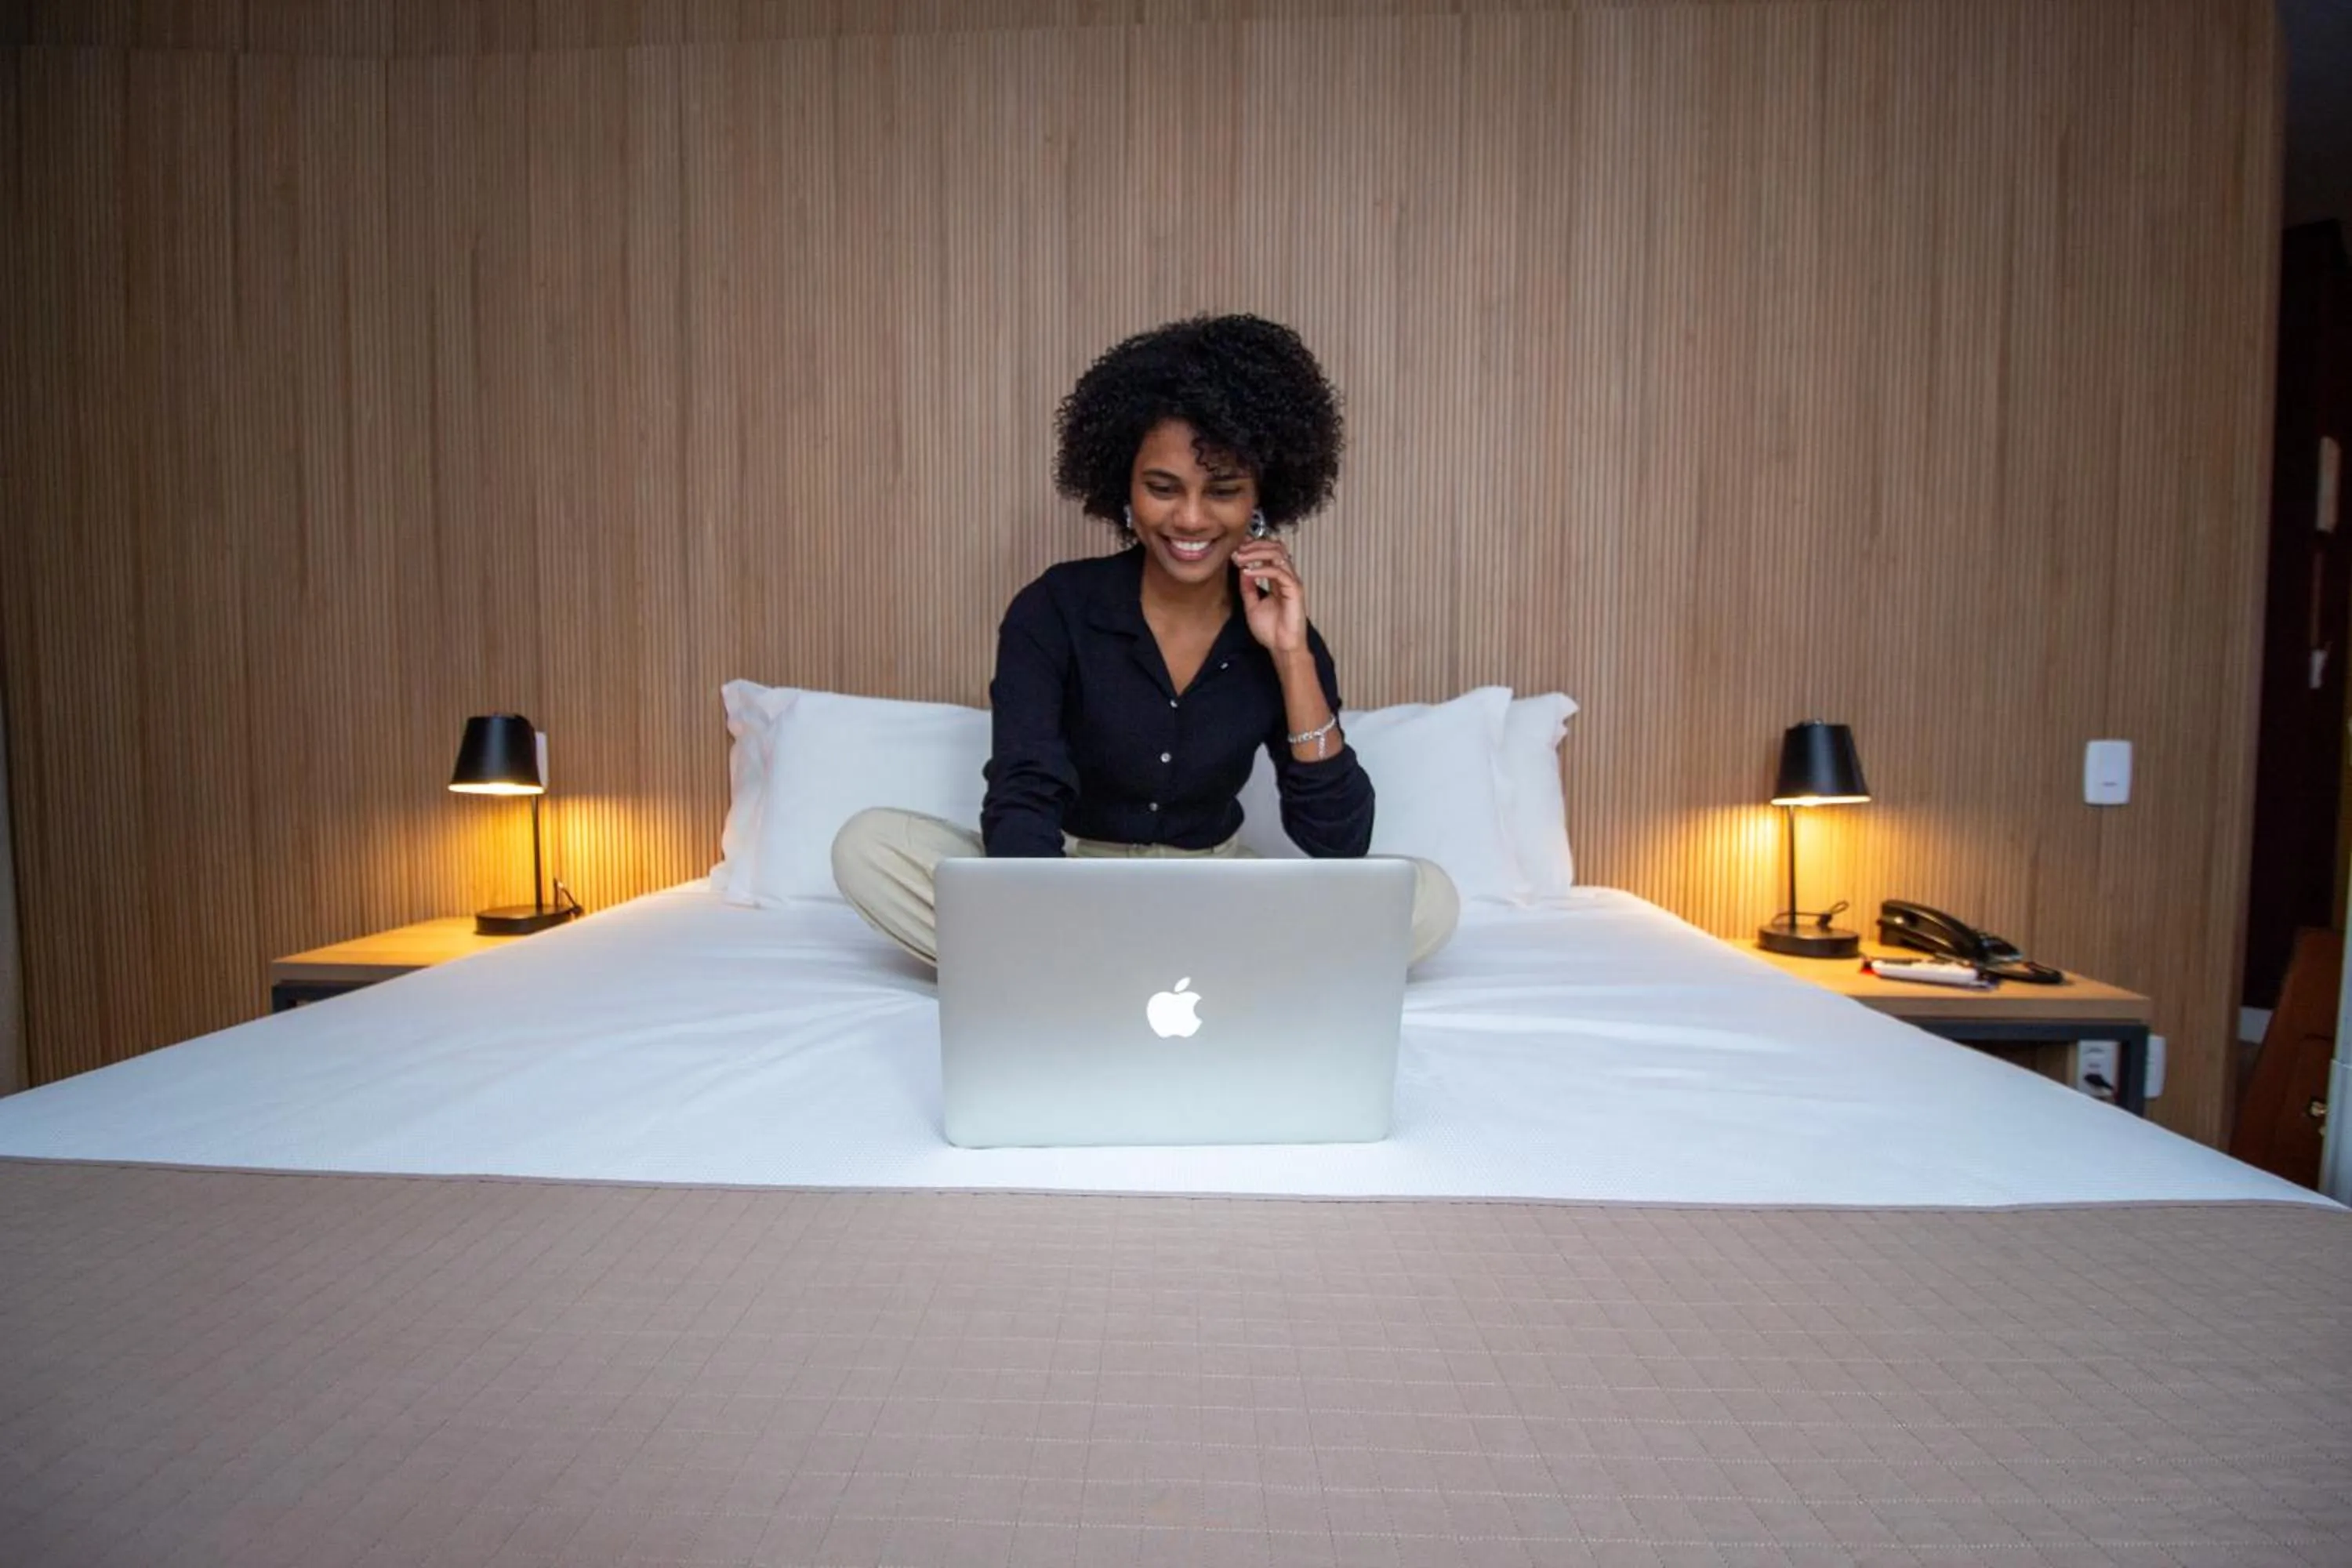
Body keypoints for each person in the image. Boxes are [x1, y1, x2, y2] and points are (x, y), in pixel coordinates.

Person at [830, 313, 1459, 964]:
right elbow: (1025, 792)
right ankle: (1184, 979)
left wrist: (1292, 656)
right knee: (868, 845)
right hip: (1069, 883)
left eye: (1223, 492)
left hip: (1215, 890)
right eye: (1163, 488)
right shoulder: (1055, 609)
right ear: (1124, 491)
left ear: (1259, 503)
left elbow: (1339, 842)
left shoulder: (1287, 636)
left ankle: (1084, 977)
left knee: (1427, 897)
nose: (1190, 518)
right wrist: (1038, 906)